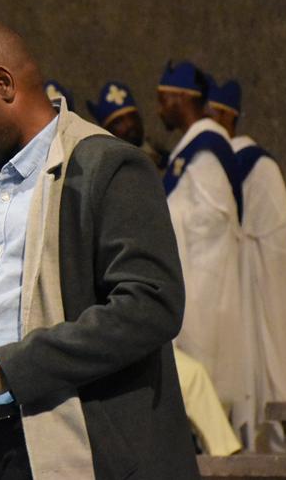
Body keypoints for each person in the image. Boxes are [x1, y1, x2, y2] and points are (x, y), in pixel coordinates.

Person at [0, 22, 197, 479]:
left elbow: (150, 305)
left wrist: (12, 370)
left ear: (2, 84)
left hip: (80, 444)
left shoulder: (107, 167)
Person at [91, 83, 239, 455]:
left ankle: (227, 459)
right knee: (187, 378)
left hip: (146, 308)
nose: (127, 127)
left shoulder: (157, 163)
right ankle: (225, 456)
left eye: (131, 118)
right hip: (110, 325)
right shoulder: (97, 183)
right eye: (117, 122)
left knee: (191, 377)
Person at [208, 78, 286, 448]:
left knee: (271, 356)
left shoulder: (255, 163)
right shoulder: (214, 162)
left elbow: (274, 233)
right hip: (233, 273)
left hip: (260, 274)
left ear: (226, 116)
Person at [157, 61, 250, 442]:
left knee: (203, 372)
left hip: (205, 284)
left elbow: (215, 218)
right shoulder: (190, 147)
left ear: (182, 98)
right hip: (189, 278)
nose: (159, 109)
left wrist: (165, 215)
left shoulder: (208, 145)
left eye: (163, 99)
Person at [86, 81, 168, 169]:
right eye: (118, 122)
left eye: (133, 117)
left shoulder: (167, 159)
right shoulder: (106, 171)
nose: (130, 124)